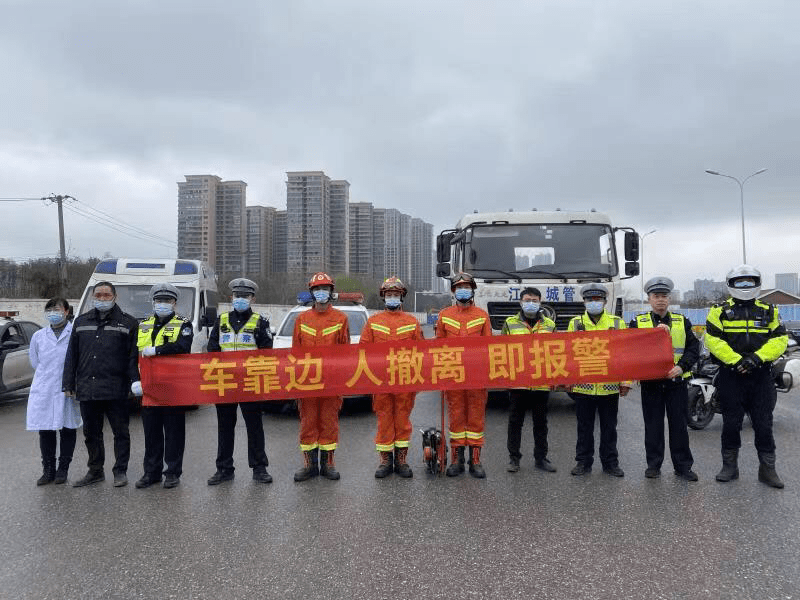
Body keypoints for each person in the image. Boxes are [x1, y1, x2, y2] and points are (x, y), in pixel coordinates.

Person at [705, 265, 788, 488]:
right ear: (731, 285)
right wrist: (736, 361)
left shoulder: (769, 310)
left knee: (763, 424)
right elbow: (712, 340)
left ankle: (768, 470)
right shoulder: (719, 311)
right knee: (731, 423)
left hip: (761, 376)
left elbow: (780, 340)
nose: (745, 286)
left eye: (749, 282)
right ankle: (729, 467)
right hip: (731, 376)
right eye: (740, 282)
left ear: (757, 283)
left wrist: (756, 359)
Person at [63, 282, 139, 487]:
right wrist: (68, 383)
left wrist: (135, 382)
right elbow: (72, 355)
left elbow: (133, 357)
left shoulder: (128, 323)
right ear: (92, 297)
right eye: (98, 295)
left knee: (121, 433)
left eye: (106, 295)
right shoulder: (81, 322)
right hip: (88, 387)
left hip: (117, 388)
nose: (102, 298)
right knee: (91, 433)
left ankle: (120, 471)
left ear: (115, 297)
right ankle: (95, 470)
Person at [629, 277, 699, 481]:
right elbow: (631, 351)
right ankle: (653, 465)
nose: (660, 300)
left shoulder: (682, 321)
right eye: (656, 296)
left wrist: (681, 366)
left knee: (679, 426)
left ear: (669, 299)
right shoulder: (638, 322)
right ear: (649, 299)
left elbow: (693, 349)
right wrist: (654, 334)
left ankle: (683, 466)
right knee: (653, 426)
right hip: (651, 384)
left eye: (664, 296)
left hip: (676, 383)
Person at [207, 278, 274, 485]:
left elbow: (267, 351)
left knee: (254, 426)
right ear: (231, 297)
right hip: (225, 381)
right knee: (225, 427)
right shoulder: (222, 320)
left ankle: (259, 468)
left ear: (252, 298)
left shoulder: (260, 322)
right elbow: (212, 349)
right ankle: (224, 468)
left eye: (245, 296)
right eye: (237, 296)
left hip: (250, 381)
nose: (240, 299)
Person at [360, 277, 423, 478]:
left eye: (396, 295)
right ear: (383, 298)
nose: (392, 298)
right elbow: (363, 351)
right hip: (381, 381)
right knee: (385, 421)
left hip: (405, 380)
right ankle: (385, 461)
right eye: (389, 295)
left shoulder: (412, 322)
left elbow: (421, 352)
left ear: (402, 297)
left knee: (402, 421)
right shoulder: (373, 322)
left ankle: (401, 460)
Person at [567, 283, 630, 478]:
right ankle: (583, 463)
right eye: (590, 300)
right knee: (584, 428)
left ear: (604, 301)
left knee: (609, 428)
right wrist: (567, 378)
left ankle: (610, 463)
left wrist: (626, 381)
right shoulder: (575, 323)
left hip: (608, 387)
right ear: (584, 301)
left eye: (598, 299)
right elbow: (568, 353)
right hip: (583, 387)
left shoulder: (617, 322)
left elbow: (625, 355)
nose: (594, 303)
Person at [134, 284, 194, 489]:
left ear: (174, 303)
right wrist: (135, 380)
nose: (162, 304)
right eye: (159, 301)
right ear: (153, 302)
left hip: (172, 387)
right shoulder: (143, 325)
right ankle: (151, 473)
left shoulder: (183, 324)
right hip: (149, 387)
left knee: (174, 432)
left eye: (167, 301)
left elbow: (182, 347)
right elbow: (133, 355)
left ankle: (172, 472)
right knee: (151, 433)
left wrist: (157, 350)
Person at [292, 272, 350, 482]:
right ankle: (309, 465)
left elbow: (345, 353)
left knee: (329, 422)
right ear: (312, 293)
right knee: (308, 423)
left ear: (331, 292)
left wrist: (342, 380)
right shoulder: (301, 319)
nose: (321, 293)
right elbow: (295, 353)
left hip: (331, 382)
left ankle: (328, 464)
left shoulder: (341, 319)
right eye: (317, 289)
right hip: (307, 382)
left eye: (325, 289)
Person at [435, 272, 492, 478]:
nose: (463, 291)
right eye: (459, 288)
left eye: (467, 287)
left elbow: (489, 348)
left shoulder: (482, 315)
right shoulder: (444, 315)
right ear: (453, 291)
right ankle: (456, 460)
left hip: (476, 376)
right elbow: (438, 348)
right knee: (457, 417)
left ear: (472, 291)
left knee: (476, 418)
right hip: (453, 375)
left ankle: (475, 461)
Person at [501, 287, 557, 474]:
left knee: (541, 423)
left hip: (541, 382)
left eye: (534, 300)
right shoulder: (510, 323)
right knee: (515, 422)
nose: (530, 303)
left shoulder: (549, 324)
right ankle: (514, 458)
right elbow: (501, 351)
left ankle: (541, 458)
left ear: (540, 302)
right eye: (527, 299)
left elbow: (556, 352)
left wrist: (556, 377)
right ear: (520, 302)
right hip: (518, 382)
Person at [27, 298, 82, 485]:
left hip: (67, 388)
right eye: (49, 309)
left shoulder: (74, 333)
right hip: (44, 388)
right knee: (46, 430)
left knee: (68, 428)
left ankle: (63, 469)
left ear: (66, 311)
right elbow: (35, 362)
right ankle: (48, 470)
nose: (53, 313)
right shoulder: (39, 336)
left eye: (56, 309)